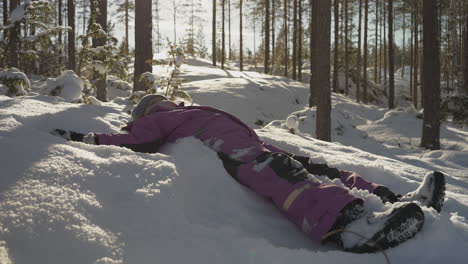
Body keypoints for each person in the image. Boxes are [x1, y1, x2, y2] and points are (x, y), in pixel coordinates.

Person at [51, 94, 446, 253]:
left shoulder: (185, 110)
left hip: (252, 143)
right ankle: (352, 226)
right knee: (283, 176)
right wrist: (88, 138)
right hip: (234, 153)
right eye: (157, 103)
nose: (164, 103)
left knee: (317, 167)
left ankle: (394, 199)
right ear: (149, 110)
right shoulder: (160, 121)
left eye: (164, 100)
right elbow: (132, 141)